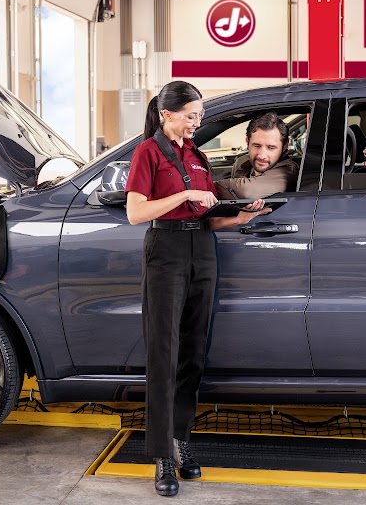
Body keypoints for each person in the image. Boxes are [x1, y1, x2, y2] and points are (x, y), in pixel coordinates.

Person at [125, 81, 268, 497]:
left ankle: (181, 440)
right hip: (166, 249)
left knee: (193, 354)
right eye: (191, 116)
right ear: (167, 113)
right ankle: (160, 456)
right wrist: (185, 193)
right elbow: (136, 212)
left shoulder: (198, 156)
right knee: (164, 354)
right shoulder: (148, 152)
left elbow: (208, 216)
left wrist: (239, 218)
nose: (196, 123)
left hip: (202, 249)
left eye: (200, 116)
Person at [215, 111, 298, 199]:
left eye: (271, 148)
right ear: (247, 141)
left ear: (285, 146)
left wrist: (206, 187)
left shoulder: (287, 170)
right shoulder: (241, 162)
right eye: (257, 146)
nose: (262, 156)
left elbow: (246, 191)